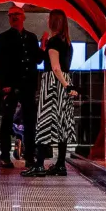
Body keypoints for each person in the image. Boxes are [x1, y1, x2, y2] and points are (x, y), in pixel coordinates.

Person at [26, 10, 80, 178]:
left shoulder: (54, 42)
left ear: (52, 21)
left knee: (45, 122)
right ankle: (60, 165)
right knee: (62, 123)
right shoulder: (67, 42)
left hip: (54, 83)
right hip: (65, 80)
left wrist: (66, 86)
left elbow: (55, 67)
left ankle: (39, 165)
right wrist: (69, 85)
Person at [0, 6, 43, 170]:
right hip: (11, 86)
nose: (14, 17)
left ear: (23, 17)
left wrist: (42, 48)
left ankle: (29, 156)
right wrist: (4, 85)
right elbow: (0, 62)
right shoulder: (3, 38)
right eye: (11, 15)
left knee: (30, 122)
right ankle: (5, 156)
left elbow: (37, 60)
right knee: (7, 120)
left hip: (28, 86)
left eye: (17, 15)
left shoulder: (31, 37)